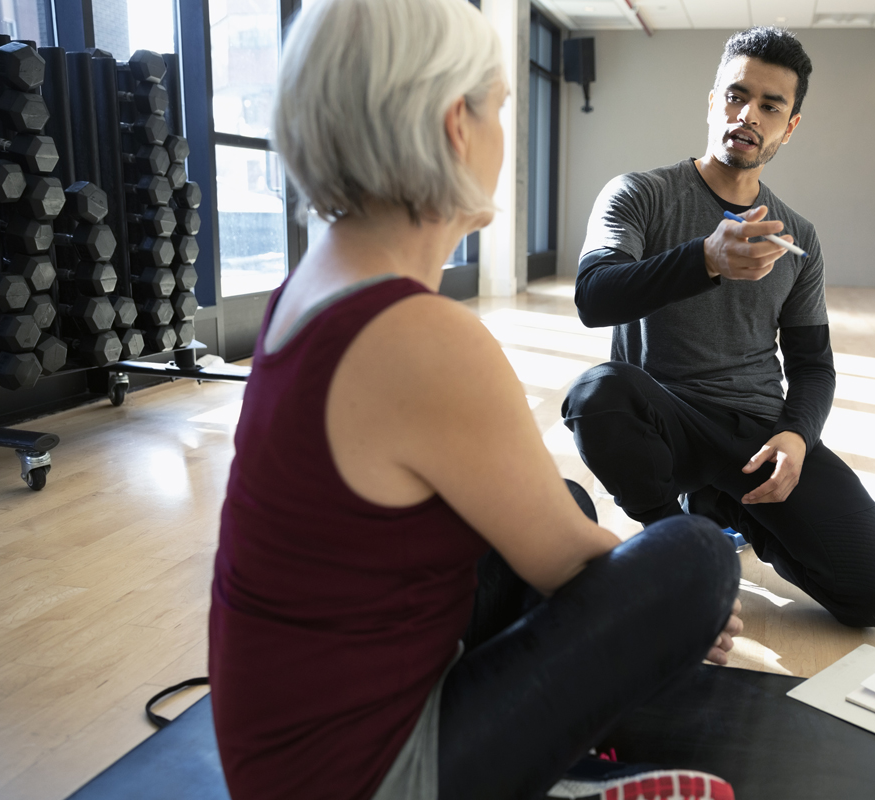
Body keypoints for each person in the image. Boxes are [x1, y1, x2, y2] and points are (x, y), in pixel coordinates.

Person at [207, 1, 743, 799]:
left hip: (277, 755)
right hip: (366, 780)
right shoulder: (418, 336)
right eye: (498, 107)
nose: (502, 134)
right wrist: (677, 610)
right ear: (457, 125)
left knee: (559, 500)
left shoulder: (311, 286)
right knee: (697, 558)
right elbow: (571, 562)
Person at [563, 27, 875, 629]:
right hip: (666, 422)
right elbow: (594, 297)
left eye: (770, 105)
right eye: (736, 96)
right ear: (713, 99)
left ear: (790, 125)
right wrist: (706, 259)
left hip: (757, 436)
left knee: (871, 596)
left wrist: (798, 435)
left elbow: (812, 364)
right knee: (597, 394)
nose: (748, 115)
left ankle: (729, 507)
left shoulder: (798, 234)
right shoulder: (638, 195)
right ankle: (678, 546)